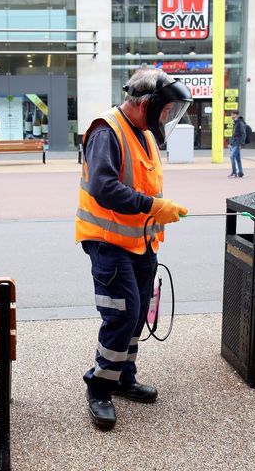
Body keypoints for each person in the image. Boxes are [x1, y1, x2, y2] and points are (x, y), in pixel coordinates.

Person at [75, 68, 192, 430]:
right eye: (165, 109)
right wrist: (153, 207)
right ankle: (99, 388)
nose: (168, 117)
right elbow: (103, 186)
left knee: (138, 314)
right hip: (109, 242)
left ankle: (123, 376)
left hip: (140, 241)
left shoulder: (143, 134)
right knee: (122, 314)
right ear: (147, 103)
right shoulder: (106, 130)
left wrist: (157, 211)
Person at [228, 112, 246, 178]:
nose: (231, 115)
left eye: (233, 114)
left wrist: (242, 144)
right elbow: (234, 135)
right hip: (235, 143)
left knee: (232, 157)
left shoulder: (240, 123)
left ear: (237, 115)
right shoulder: (235, 123)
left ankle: (234, 172)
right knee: (237, 158)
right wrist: (230, 143)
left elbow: (243, 134)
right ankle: (240, 172)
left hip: (238, 143)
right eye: (231, 114)